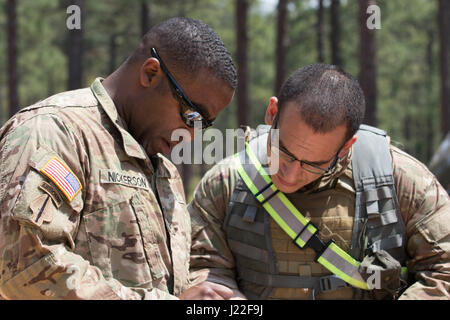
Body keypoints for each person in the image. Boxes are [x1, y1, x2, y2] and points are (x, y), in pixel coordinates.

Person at [0, 17, 236, 300]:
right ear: (150, 73)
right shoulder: (54, 131)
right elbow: (24, 270)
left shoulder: (164, 171)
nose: (193, 135)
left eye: (204, 125)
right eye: (191, 116)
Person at [183, 64, 450, 300]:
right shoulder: (226, 183)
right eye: (283, 151)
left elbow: (444, 269)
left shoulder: (399, 180)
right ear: (272, 112)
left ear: (346, 147)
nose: (289, 174)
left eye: (313, 164)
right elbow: (202, 266)